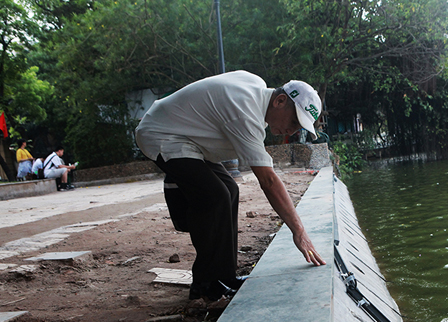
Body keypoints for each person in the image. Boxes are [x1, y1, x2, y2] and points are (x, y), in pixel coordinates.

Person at [135, 70, 326, 302]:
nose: (293, 131)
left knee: (230, 190)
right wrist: (299, 232)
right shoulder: (246, 113)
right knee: (214, 196)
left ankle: (223, 278)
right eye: (295, 121)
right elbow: (268, 181)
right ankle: (208, 284)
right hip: (163, 134)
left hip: (190, 139)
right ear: (280, 101)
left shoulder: (255, 86)